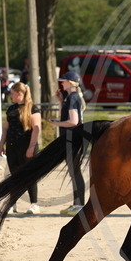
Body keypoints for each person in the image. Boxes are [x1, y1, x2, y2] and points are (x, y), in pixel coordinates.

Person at [0, 82, 41, 214]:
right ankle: (13, 203)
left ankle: (34, 203)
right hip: (12, 146)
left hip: (27, 145)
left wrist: (31, 148)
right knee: (14, 176)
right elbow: (6, 128)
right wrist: (1, 144)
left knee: (29, 175)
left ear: (19, 93)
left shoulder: (33, 108)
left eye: (12, 93)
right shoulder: (11, 108)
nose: (10, 96)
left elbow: (36, 129)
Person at [49, 71, 86, 216]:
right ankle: (77, 203)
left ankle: (79, 204)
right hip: (72, 138)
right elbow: (66, 116)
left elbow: (73, 121)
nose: (61, 83)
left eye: (63, 81)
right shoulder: (71, 97)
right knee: (73, 172)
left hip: (73, 138)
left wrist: (57, 124)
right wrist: (60, 101)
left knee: (75, 172)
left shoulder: (73, 97)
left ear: (70, 83)